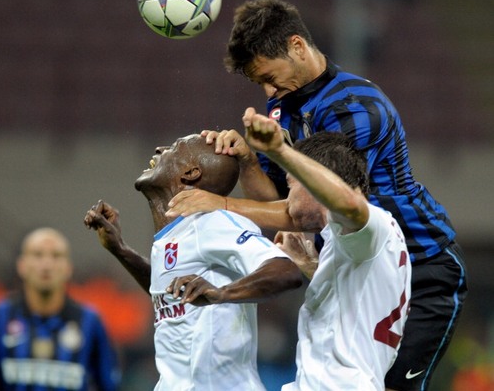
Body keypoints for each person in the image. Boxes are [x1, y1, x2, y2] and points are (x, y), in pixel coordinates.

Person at [166, 0, 468, 391]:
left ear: (297, 46)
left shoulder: (356, 109)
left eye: (269, 76)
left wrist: (222, 205)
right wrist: (248, 162)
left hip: (419, 262)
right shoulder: (283, 106)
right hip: (352, 268)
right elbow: (282, 198)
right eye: (259, 83)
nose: (268, 90)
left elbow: (314, 211)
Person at [169, 108, 412, 390]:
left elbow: (348, 203)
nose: (288, 199)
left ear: (315, 183)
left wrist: (279, 152)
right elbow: (356, 310)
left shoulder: (373, 224)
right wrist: (312, 268)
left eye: (291, 185)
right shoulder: (363, 245)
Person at [83, 134, 303, 391]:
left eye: (175, 148)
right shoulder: (174, 235)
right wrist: (120, 249)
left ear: (190, 172)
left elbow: (286, 270)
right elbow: (169, 295)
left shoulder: (213, 221)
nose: (160, 147)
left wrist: (222, 293)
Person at [0, 227, 120, 391]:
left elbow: (108, 384)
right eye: (37, 255)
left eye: (56, 256)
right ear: (21, 265)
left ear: (68, 268)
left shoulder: (89, 321)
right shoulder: (1, 317)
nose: (47, 264)